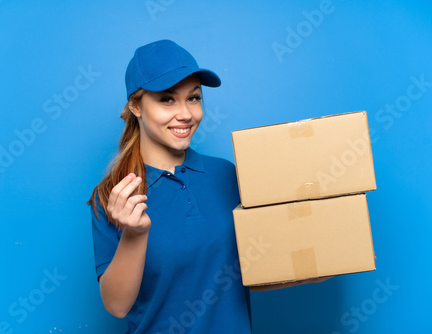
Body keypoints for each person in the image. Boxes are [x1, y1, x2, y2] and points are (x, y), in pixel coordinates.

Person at [88, 39, 329, 333]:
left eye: (194, 98)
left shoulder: (226, 175)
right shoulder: (114, 196)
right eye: (167, 99)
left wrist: (316, 266)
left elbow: (238, 278)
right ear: (136, 106)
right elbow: (117, 305)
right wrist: (135, 235)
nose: (186, 114)